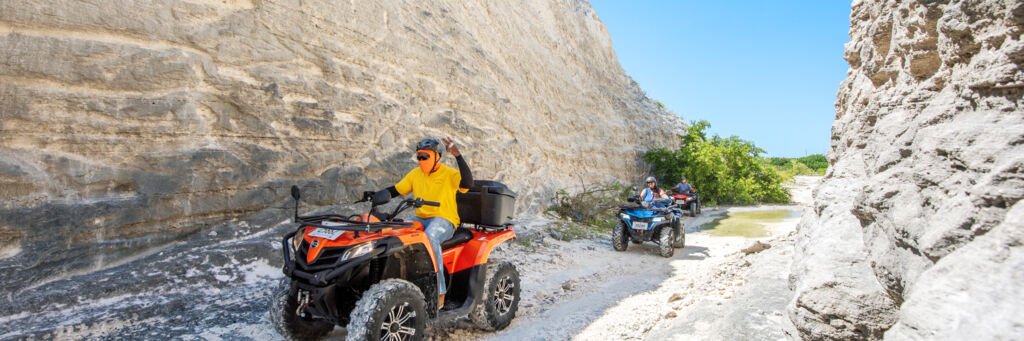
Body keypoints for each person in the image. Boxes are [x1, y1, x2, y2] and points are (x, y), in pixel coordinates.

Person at [376, 137, 472, 307]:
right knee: (396, 231)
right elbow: (397, 190)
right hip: (421, 217)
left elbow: (468, 183)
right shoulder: (415, 174)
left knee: (429, 237)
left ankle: (439, 291)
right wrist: (377, 195)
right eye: (419, 157)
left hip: (445, 219)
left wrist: (458, 156)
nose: (421, 161)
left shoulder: (449, 174)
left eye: (425, 157)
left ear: (437, 157)